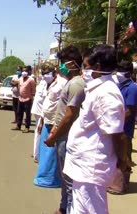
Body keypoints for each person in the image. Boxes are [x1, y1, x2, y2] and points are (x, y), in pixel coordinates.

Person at [63, 45, 128, 213]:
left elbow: (117, 134)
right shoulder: (96, 90)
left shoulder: (106, 93)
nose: (83, 70)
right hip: (82, 168)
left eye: (85, 66)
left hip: (91, 169)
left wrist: (123, 161)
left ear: (97, 68)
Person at [44, 45, 85, 214]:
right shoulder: (71, 83)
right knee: (64, 176)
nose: (60, 66)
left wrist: (54, 135)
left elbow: (69, 116)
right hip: (62, 136)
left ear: (72, 64)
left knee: (69, 180)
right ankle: (63, 207)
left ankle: (69, 209)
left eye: (63, 63)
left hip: (67, 137)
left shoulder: (76, 84)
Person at [34, 62, 67, 188]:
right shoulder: (46, 84)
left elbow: (64, 106)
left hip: (55, 123)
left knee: (53, 154)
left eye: (48, 73)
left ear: (54, 73)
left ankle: (53, 180)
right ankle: (43, 176)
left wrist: (57, 125)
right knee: (44, 151)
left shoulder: (62, 83)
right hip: (46, 121)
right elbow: (46, 104)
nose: (45, 75)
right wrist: (41, 121)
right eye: (43, 73)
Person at [110, 60, 137, 193]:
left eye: (121, 70)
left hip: (125, 129)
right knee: (116, 155)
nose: (118, 73)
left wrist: (116, 120)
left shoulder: (132, 88)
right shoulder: (118, 86)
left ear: (129, 73)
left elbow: (130, 110)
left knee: (125, 156)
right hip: (116, 127)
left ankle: (122, 185)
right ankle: (115, 182)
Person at [11, 68, 36, 133]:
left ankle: (27, 127)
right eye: (23, 71)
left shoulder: (31, 80)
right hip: (20, 98)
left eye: (25, 71)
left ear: (28, 72)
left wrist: (32, 97)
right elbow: (16, 84)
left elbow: (33, 89)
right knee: (19, 112)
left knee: (27, 114)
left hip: (28, 99)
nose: (24, 72)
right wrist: (13, 82)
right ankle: (18, 126)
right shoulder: (20, 79)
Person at [31, 70, 47, 162]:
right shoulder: (43, 82)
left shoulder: (44, 83)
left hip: (41, 111)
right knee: (39, 132)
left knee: (39, 133)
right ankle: (36, 154)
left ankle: (36, 153)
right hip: (39, 111)